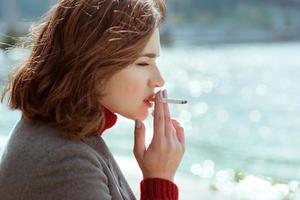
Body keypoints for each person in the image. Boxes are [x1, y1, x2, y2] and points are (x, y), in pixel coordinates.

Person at [0, 0, 185, 199]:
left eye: (154, 62)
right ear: (92, 64)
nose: (159, 81)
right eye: (143, 63)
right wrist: (160, 179)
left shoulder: (61, 134)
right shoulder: (66, 164)